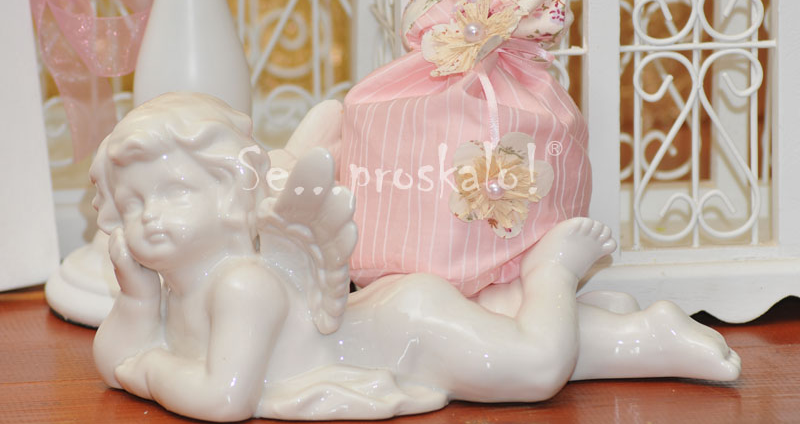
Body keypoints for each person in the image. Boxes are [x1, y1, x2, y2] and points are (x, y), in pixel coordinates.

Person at [92, 93, 741, 422]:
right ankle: (634, 330)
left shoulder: (240, 284)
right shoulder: (180, 284)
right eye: (133, 202)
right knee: (524, 352)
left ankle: (552, 272)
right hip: (387, 325)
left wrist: (148, 365)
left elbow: (224, 399)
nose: (148, 217)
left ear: (234, 191)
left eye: (173, 193)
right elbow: (111, 364)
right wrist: (137, 302)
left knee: (537, 368)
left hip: (404, 336)